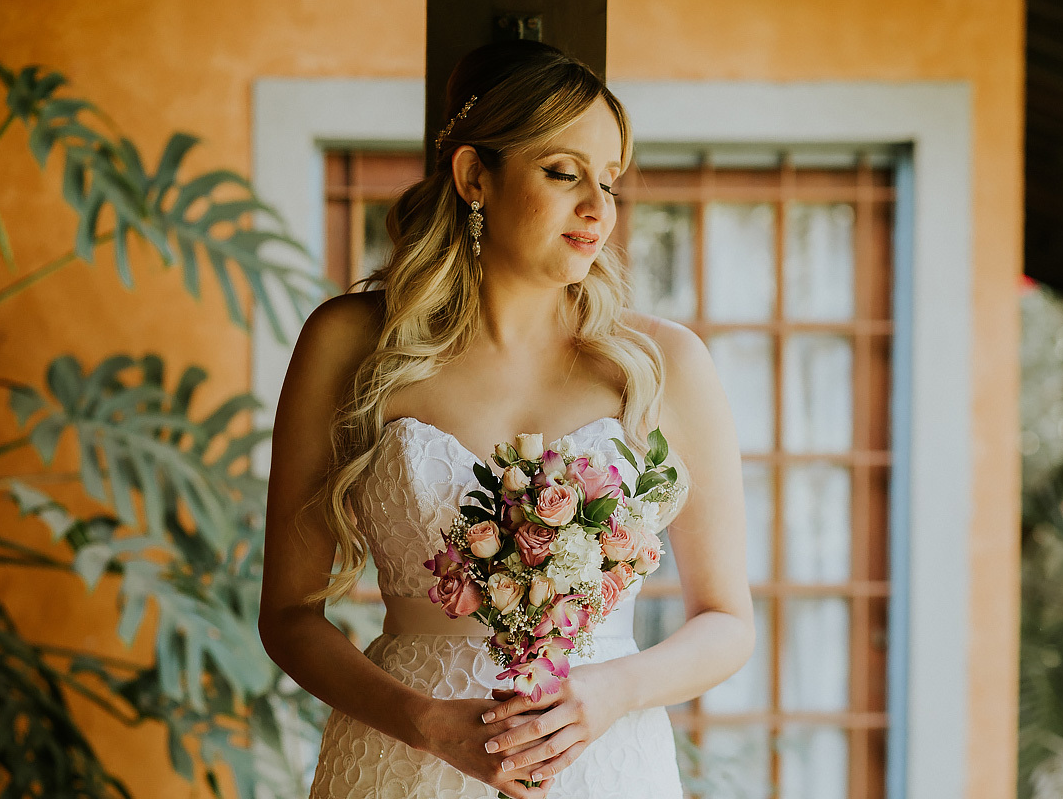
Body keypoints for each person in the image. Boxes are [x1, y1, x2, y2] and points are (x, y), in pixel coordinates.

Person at [258, 39, 754, 799]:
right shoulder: (349, 343)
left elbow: (727, 622)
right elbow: (290, 616)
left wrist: (611, 692)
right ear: (474, 176)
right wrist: (425, 722)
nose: (598, 207)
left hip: (599, 763)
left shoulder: (664, 365)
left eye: (610, 180)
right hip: (402, 759)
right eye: (564, 173)